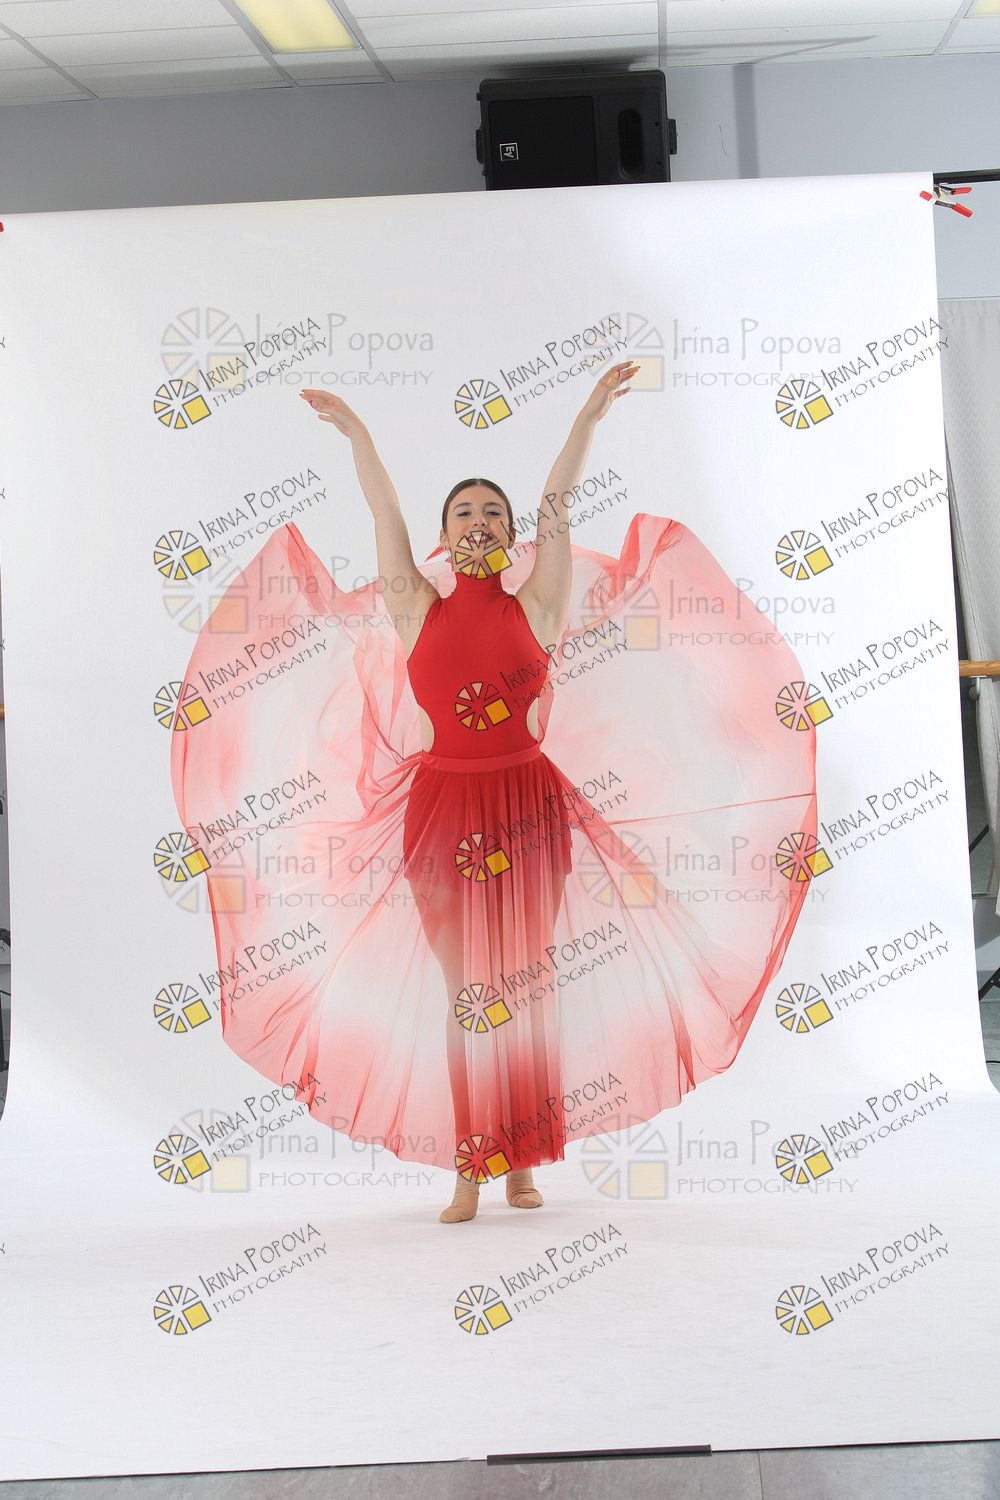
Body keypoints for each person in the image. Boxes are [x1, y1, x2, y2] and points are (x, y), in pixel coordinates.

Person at [171, 363, 817, 1226]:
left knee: (527, 985)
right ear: (444, 537)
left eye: (493, 513)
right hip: (441, 812)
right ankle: (471, 1165)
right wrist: (359, 435)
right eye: (464, 512)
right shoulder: (414, 607)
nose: (479, 520)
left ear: (512, 537)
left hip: (529, 809)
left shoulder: (539, 605)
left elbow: (558, 505)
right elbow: (383, 514)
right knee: (468, 994)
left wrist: (588, 417)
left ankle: (524, 1159)